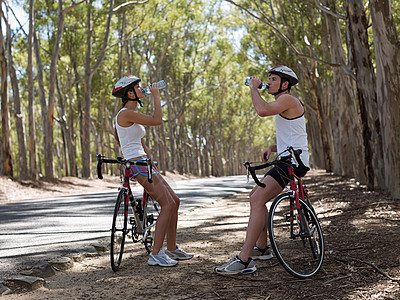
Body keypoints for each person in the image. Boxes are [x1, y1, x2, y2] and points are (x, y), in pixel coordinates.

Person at [214, 66, 310, 274]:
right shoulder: (285, 103)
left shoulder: (287, 99)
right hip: (288, 158)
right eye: (269, 79)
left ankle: (245, 259)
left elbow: (261, 111)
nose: (269, 82)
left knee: (257, 200)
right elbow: (295, 134)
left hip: (291, 163)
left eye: (273, 79)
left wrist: (253, 89)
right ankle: (263, 248)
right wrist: (274, 147)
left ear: (285, 85)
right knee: (254, 196)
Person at [112, 75, 194, 267]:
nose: (142, 89)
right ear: (129, 93)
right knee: (166, 204)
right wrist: (157, 95)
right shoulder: (125, 113)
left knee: (175, 201)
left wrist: (154, 166)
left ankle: (172, 248)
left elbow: (140, 143)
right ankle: (155, 254)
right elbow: (157, 120)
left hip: (145, 163)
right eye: (138, 87)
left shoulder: (132, 115)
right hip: (136, 164)